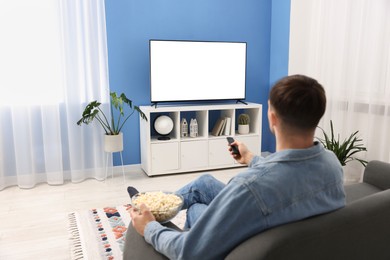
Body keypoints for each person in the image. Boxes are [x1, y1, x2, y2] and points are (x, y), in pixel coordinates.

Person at [127, 74, 346, 260]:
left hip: (247, 241)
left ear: (272, 118)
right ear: (317, 116)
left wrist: (149, 229)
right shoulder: (331, 164)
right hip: (279, 230)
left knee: (194, 210)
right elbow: (287, 172)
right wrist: (251, 158)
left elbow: (188, 252)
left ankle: (150, 215)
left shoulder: (249, 186)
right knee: (204, 183)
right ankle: (158, 205)